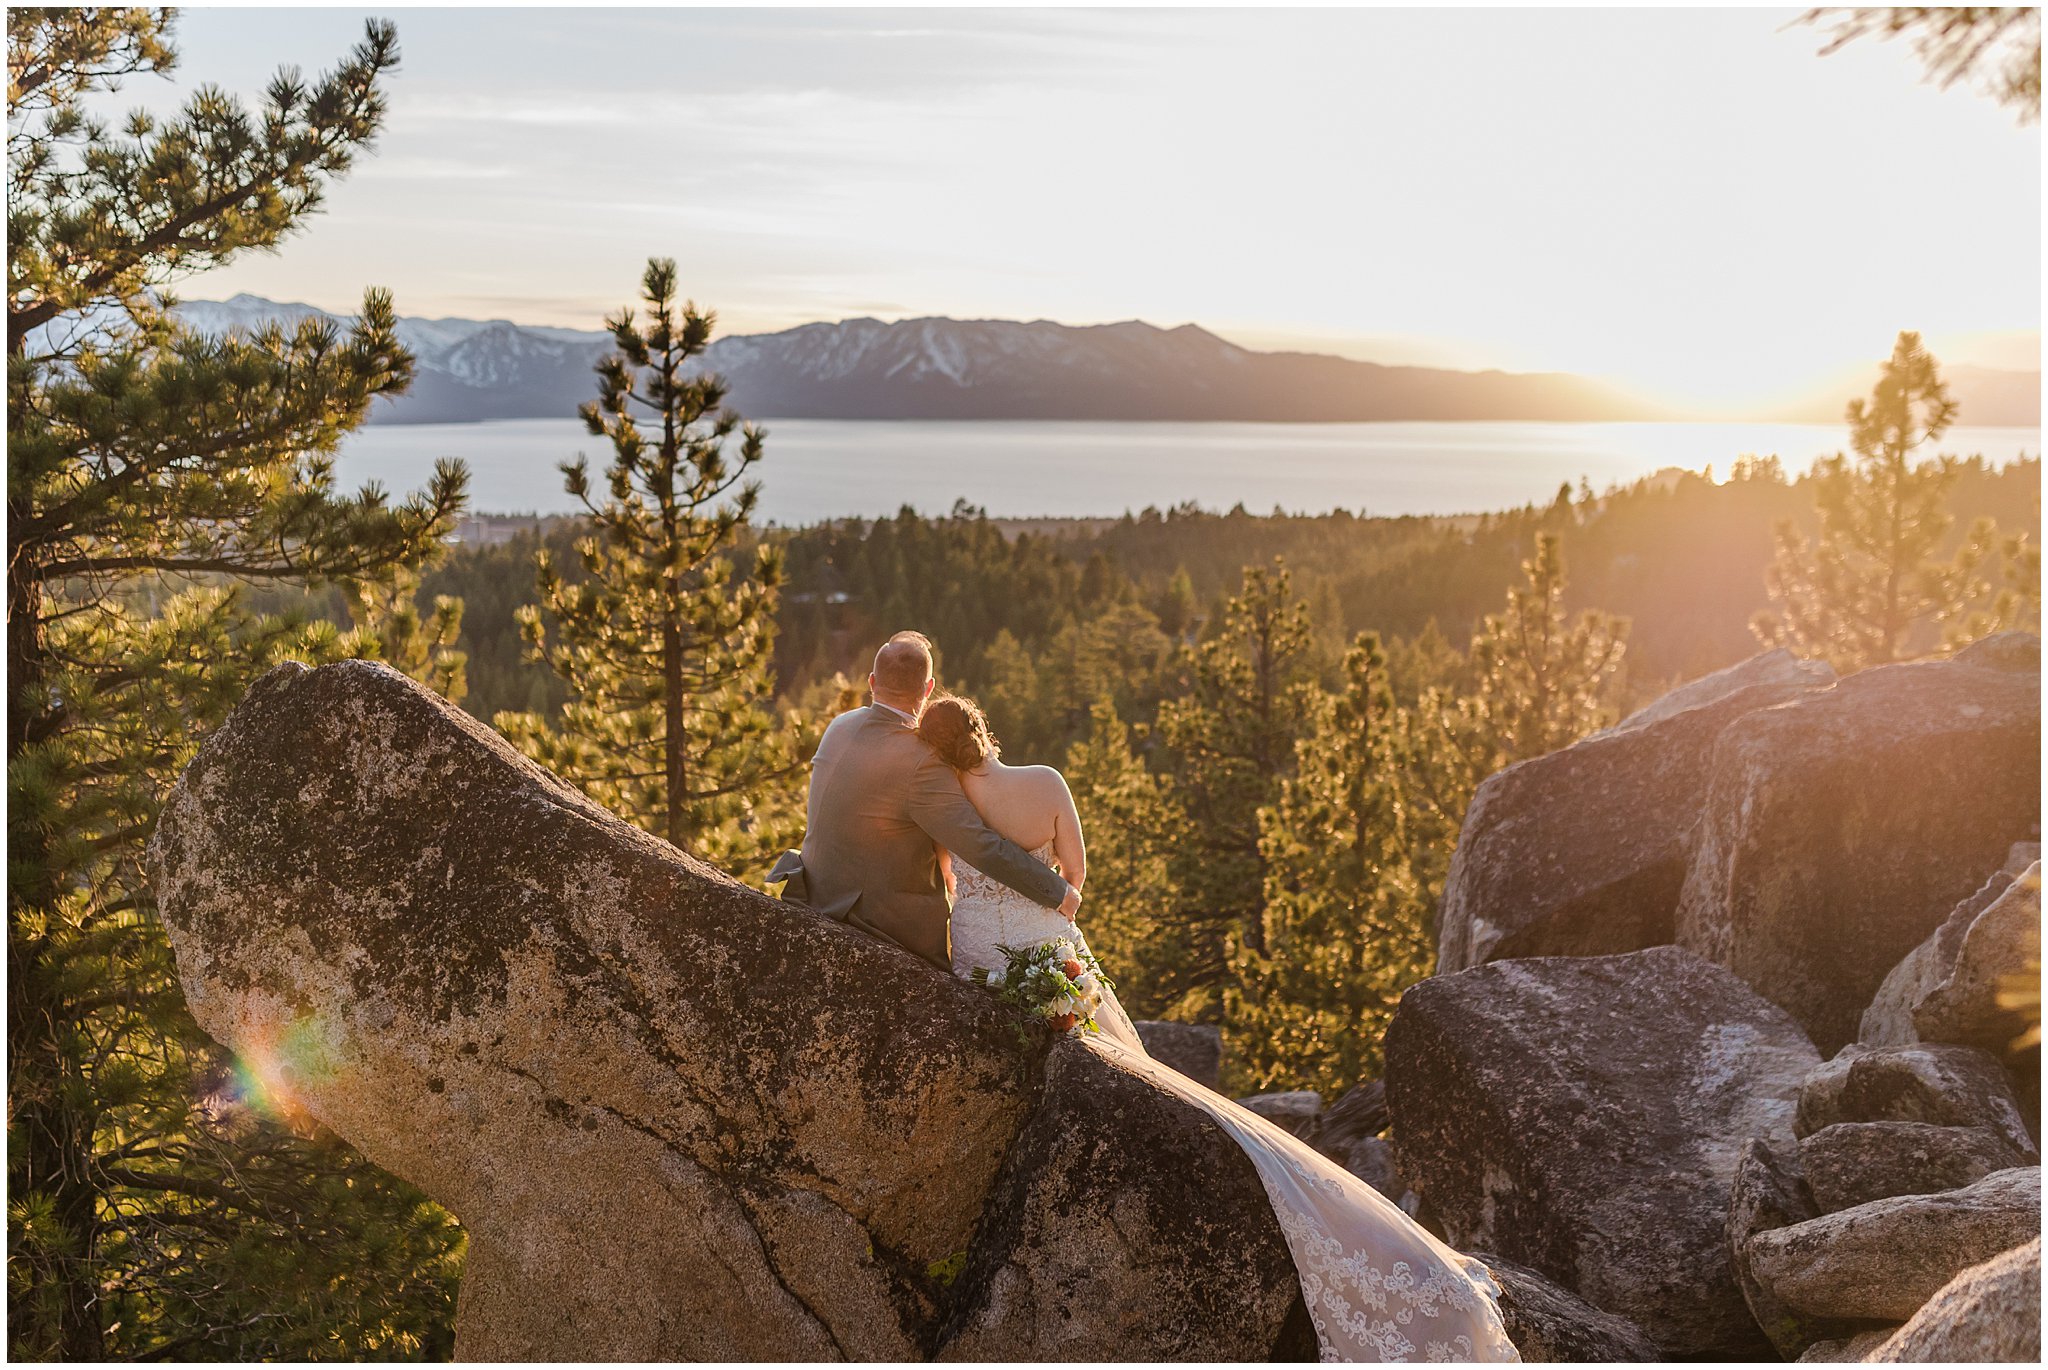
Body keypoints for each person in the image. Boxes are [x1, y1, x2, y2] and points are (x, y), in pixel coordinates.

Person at [919, 691, 1520, 1365]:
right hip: (1049, 946)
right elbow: (1077, 876)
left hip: (976, 957)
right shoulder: (1045, 784)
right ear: (983, 732)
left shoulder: (941, 806)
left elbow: (947, 879)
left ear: (936, 752)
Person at [772, 631, 1079, 971]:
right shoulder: (923, 760)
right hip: (873, 919)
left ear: (873, 681)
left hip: (814, 889)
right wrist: (1057, 891)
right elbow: (979, 846)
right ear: (928, 689)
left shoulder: (840, 725)